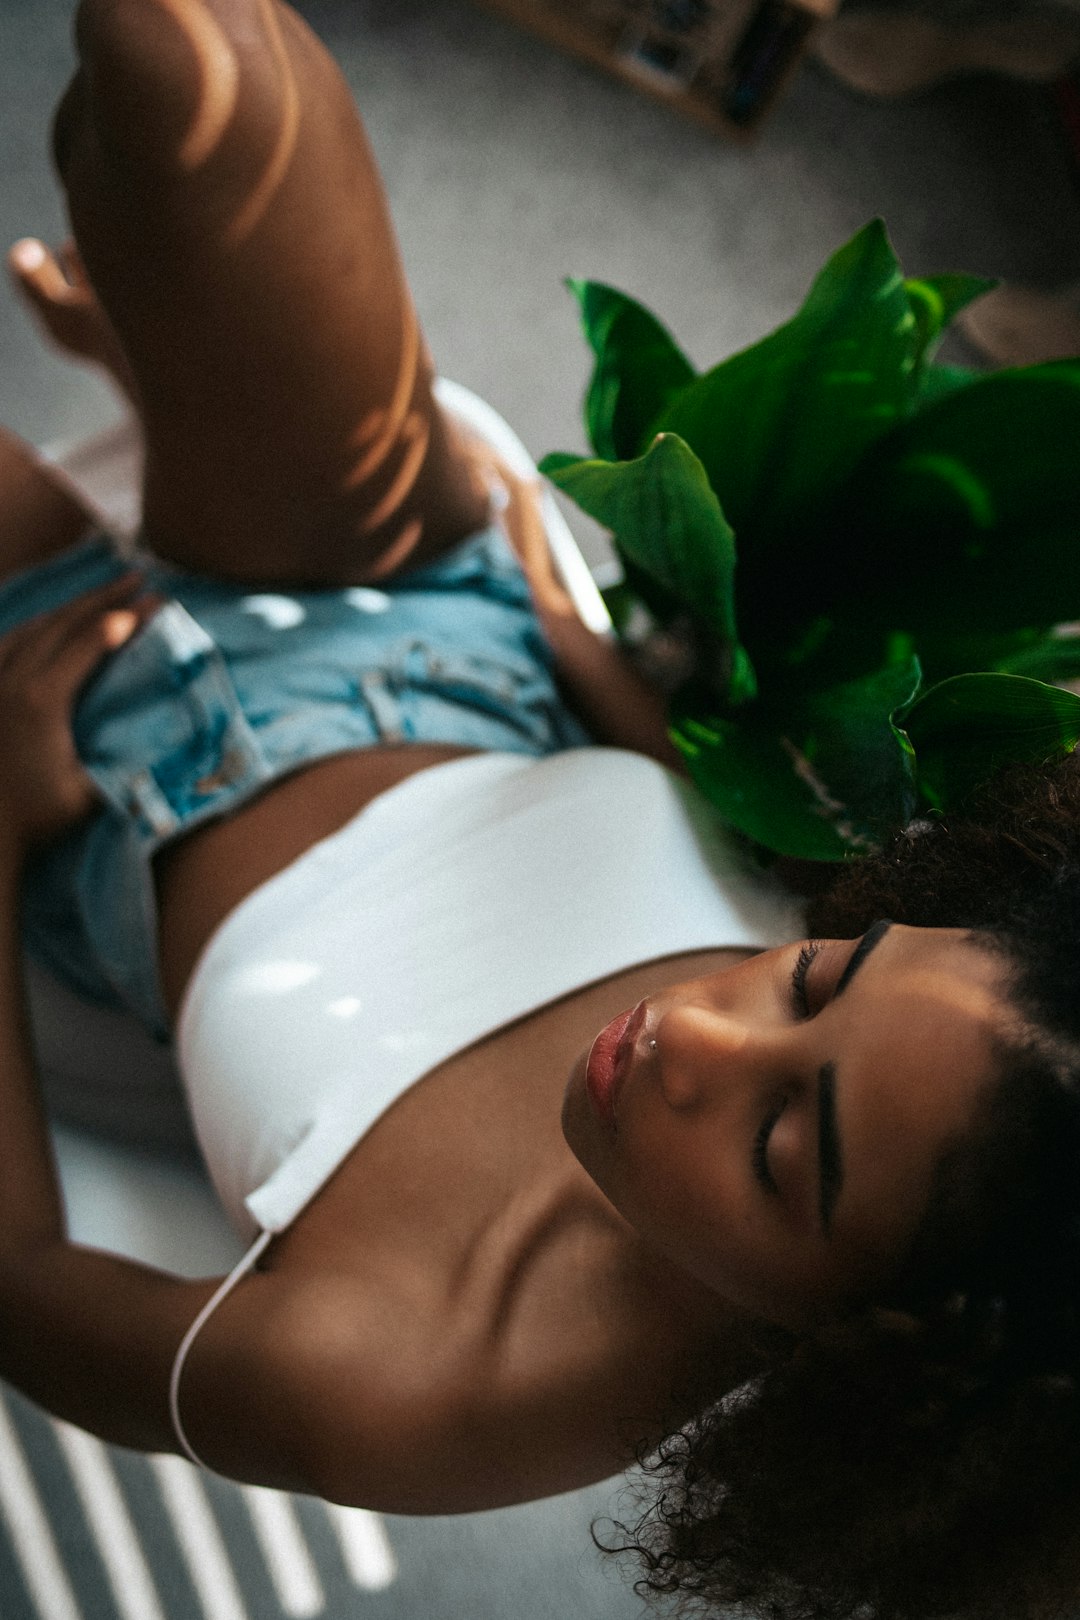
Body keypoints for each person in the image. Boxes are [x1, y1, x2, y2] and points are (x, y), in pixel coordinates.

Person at [4, 3, 1080, 1618]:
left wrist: (0, 828)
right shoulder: (946, 1044)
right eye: (812, 981)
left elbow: (20, 1289)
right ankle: (165, 369)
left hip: (104, 769)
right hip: (434, 623)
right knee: (181, 68)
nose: (697, 1036)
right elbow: (707, 848)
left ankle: (161, 394)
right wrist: (591, 665)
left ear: (877, 1357)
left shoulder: (425, 1391)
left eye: (787, 1144)